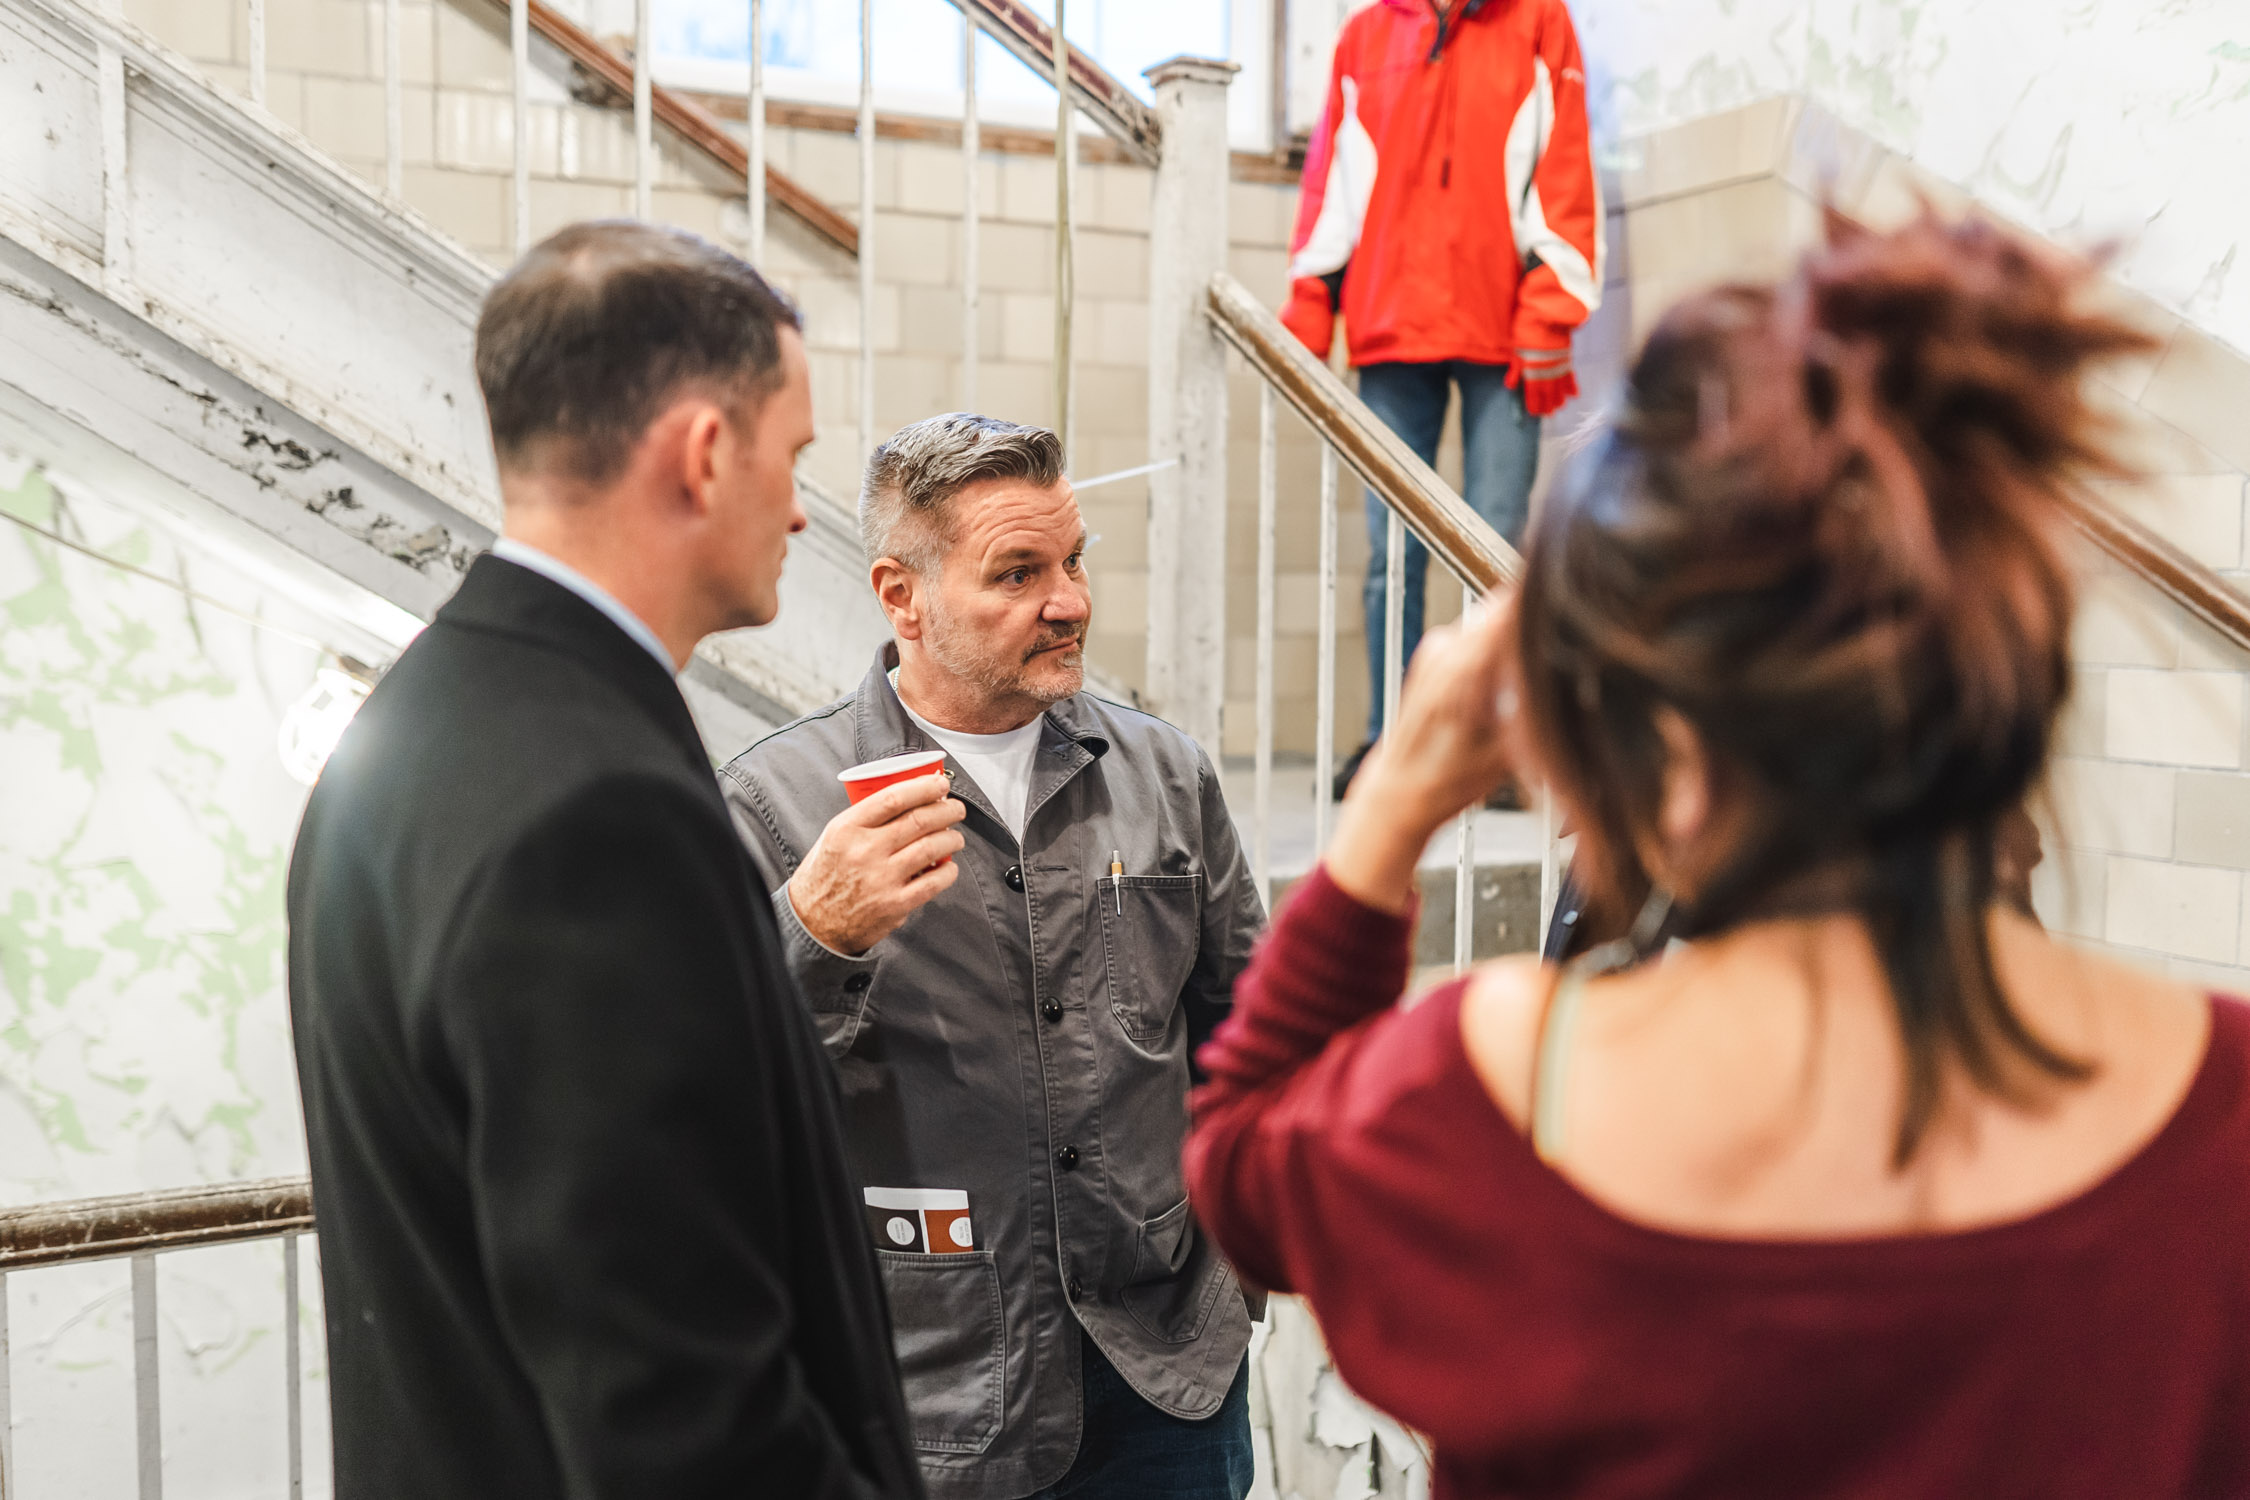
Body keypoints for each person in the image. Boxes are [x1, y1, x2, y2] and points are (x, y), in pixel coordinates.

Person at [1185, 212, 2250, 1496]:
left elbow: (1238, 1164)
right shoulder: (2226, 1110)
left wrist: (1390, 816)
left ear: (1676, 769)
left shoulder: (1495, 1099)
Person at [287, 222, 922, 1500]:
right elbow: (682, 1416)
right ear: (700, 454)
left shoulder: (405, 731)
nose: (803, 507)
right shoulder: (600, 817)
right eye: (791, 455)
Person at [720, 413, 1263, 1500]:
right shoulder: (773, 804)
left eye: (1071, 563)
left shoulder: (1165, 775)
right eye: (1018, 573)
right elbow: (707, 1095)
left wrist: (1245, 1258)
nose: (1068, 601)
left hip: (1166, 1378)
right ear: (900, 596)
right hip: (933, 1389)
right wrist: (811, 930)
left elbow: (1250, 1026)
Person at [1280, 0, 1603, 797]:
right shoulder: (1364, 35)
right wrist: (1311, 302)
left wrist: (1549, 309)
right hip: (1391, 325)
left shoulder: (1539, 22)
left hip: (1504, 330)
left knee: (1495, 552)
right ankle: (1395, 740)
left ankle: (1494, 745)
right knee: (1393, 555)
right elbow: (1331, 178)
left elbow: (1564, 170)